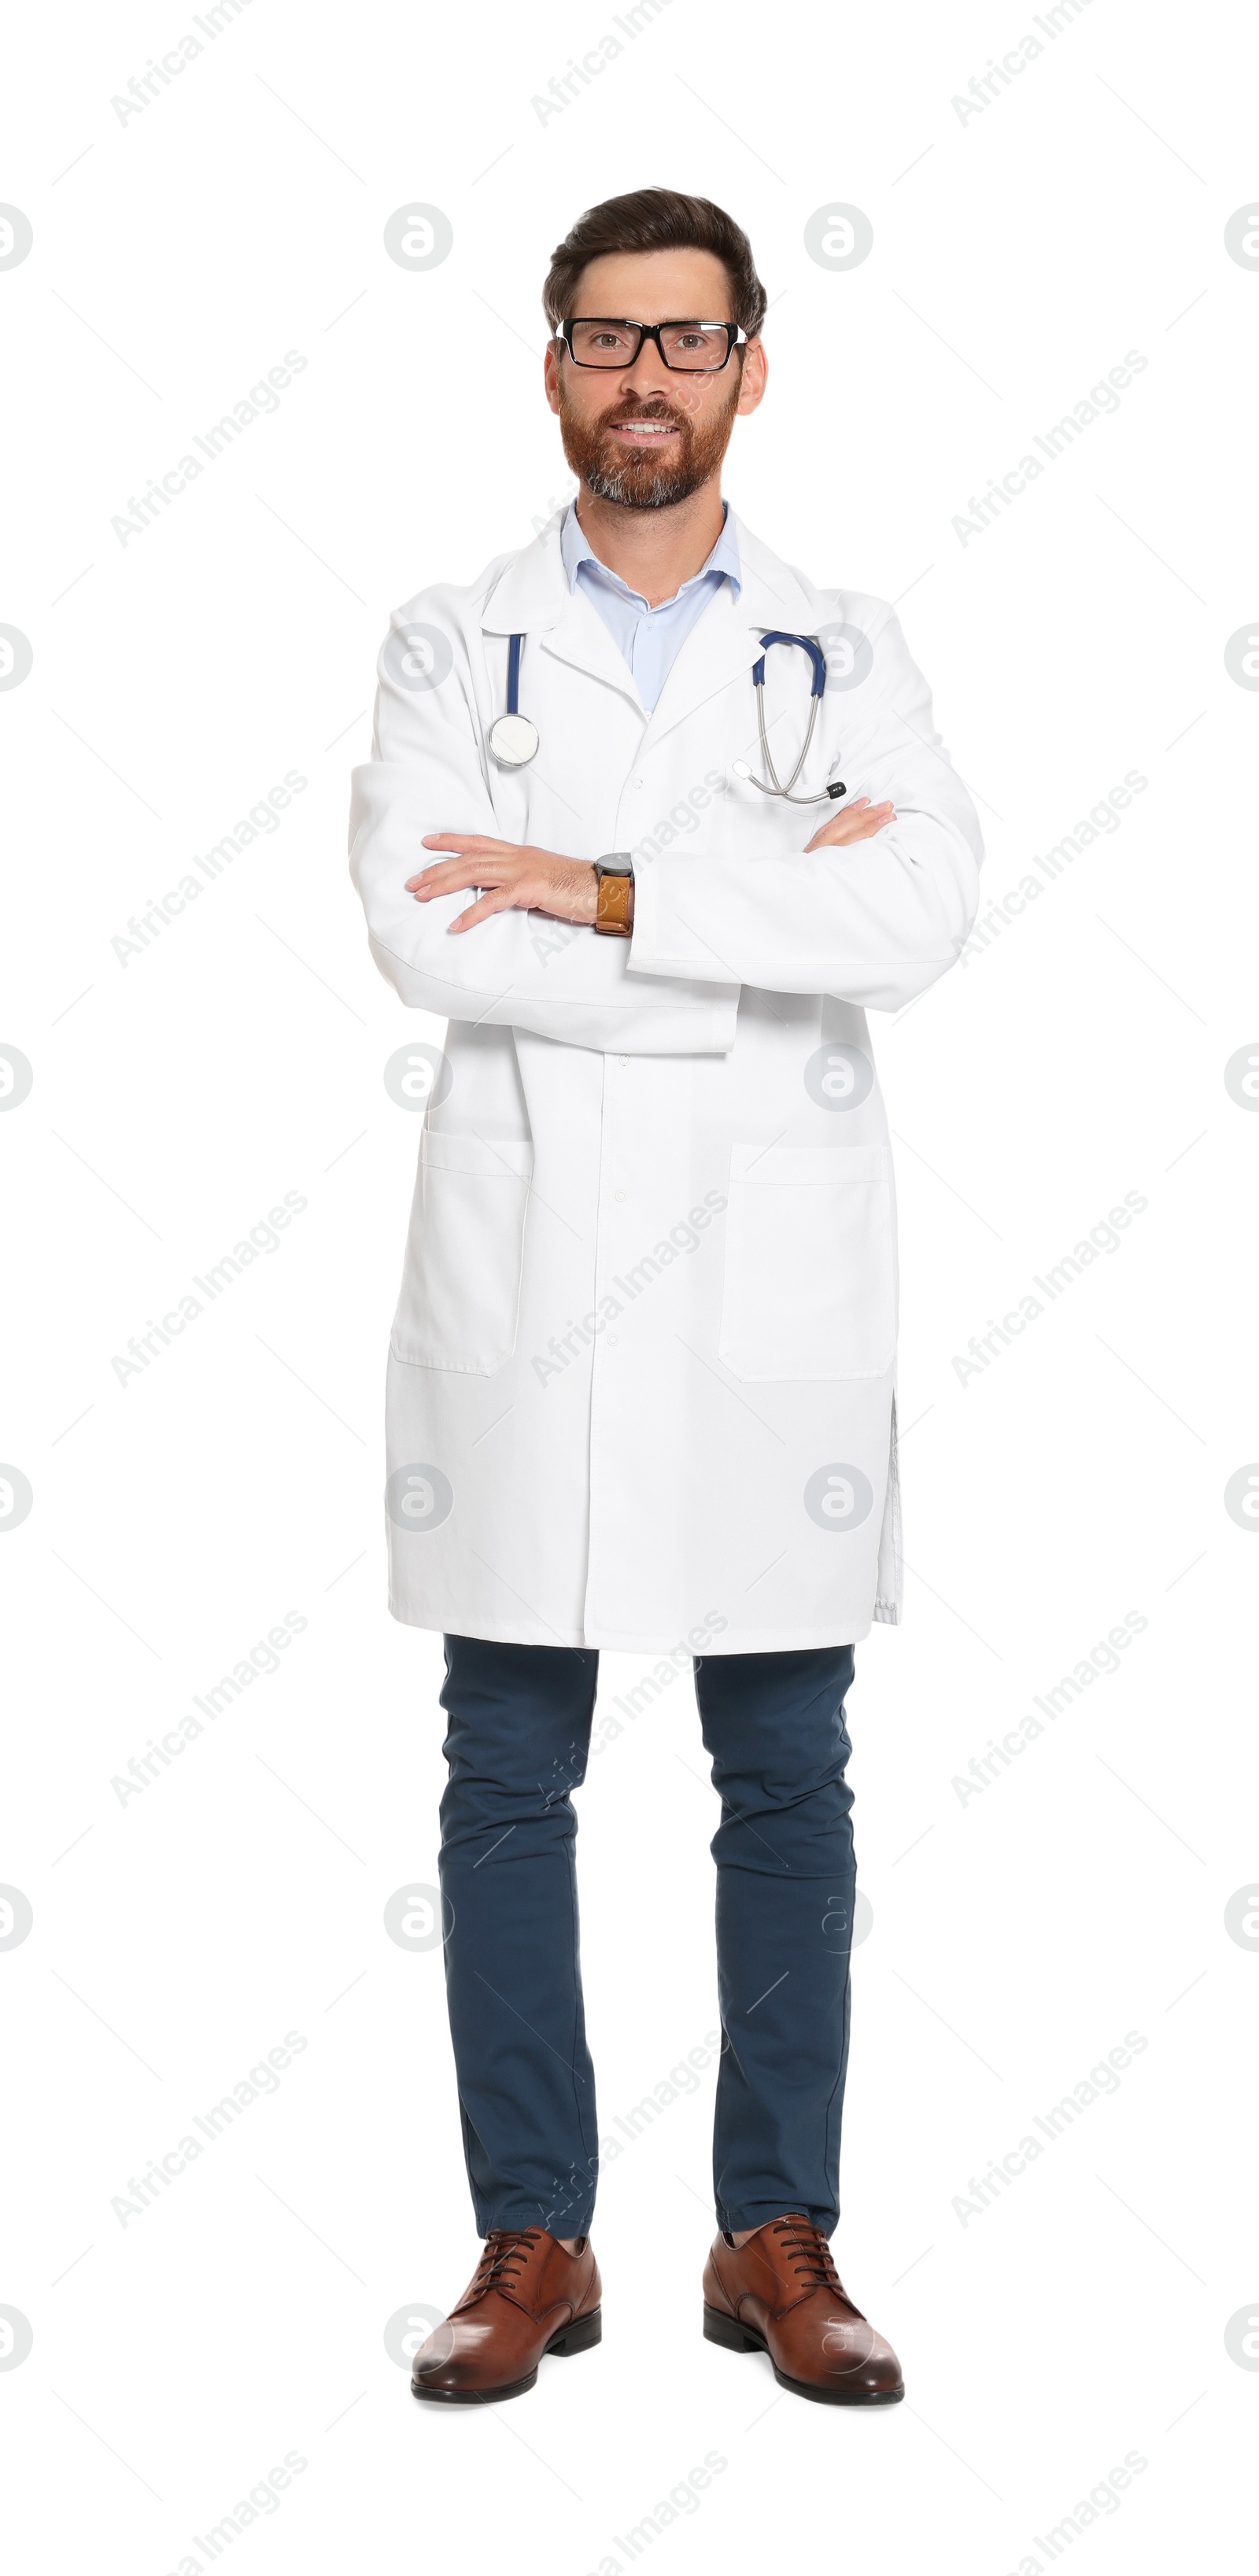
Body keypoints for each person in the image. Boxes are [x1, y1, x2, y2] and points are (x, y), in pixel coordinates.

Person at [349, 186, 982, 2408]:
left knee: (784, 1764)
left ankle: (776, 2234)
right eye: (608, 339)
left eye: (685, 340)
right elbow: (431, 937)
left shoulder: (847, 640)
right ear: (550, 365)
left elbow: (915, 914)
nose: (646, 378)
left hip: (766, 1295)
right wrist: (738, 926)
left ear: (750, 365)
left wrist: (602, 889)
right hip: (527, 1288)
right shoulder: (452, 641)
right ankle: (534, 2236)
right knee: (507, 1764)